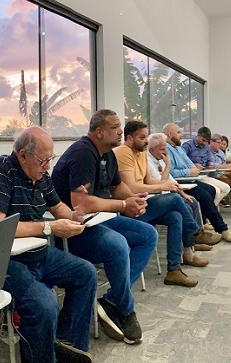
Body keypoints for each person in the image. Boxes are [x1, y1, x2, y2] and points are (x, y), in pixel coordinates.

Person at [0, 126, 96, 363]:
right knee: (44, 305)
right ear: (22, 155)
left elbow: (57, 208)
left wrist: (75, 215)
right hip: (1, 260)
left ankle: (67, 344)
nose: (47, 166)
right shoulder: (0, 170)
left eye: (50, 159)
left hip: (35, 254)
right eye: (43, 160)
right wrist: (49, 228)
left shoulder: (41, 176)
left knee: (85, 273)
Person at [51, 109, 157, 344]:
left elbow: (117, 187)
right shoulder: (82, 153)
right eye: (115, 127)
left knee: (148, 235)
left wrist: (134, 199)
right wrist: (123, 205)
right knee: (118, 245)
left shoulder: (108, 154)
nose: (120, 131)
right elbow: (82, 203)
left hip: (100, 220)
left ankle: (111, 300)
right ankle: (126, 310)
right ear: (99, 132)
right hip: (73, 228)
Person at [113, 120, 207, 287]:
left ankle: (174, 270)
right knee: (176, 199)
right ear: (129, 138)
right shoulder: (123, 152)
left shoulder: (141, 152)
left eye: (146, 137)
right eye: (142, 137)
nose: (146, 141)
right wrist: (163, 186)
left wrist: (168, 184)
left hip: (144, 202)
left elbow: (149, 180)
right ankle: (195, 231)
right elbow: (131, 187)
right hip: (130, 208)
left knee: (176, 216)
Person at [162, 123, 231, 243]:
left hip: (191, 179)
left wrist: (194, 168)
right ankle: (222, 229)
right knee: (205, 195)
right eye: (178, 132)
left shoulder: (178, 148)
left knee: (211, 190)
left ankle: (202, 222)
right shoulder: (166, 149)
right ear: (170, 134)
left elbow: (190, 163)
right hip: (180, 182)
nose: (181, 135)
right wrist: (188, 171)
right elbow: (170, 172)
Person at [181, 126, 231, 207]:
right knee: (216, 191)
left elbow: (209, 161)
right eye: (203, 140)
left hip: (204, 175)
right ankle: (209, 210)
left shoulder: (206, 147)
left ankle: (209, 209)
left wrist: (210, 164)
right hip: (192, 177)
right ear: (198, 136)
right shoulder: (187, 146)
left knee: (226, 188)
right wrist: (193, 165)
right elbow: (181, 162)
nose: (204, 143)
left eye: (206, 141)